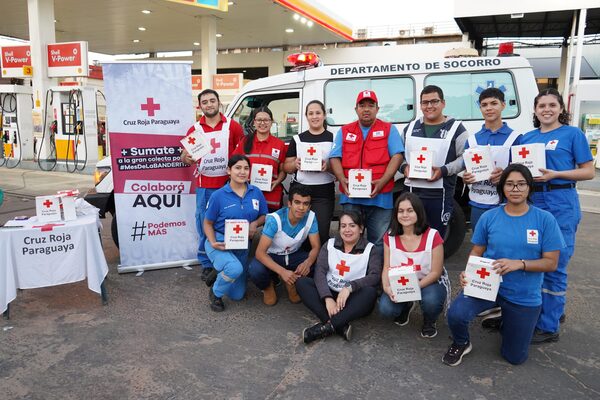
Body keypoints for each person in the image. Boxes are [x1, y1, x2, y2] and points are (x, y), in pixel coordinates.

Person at [442, 164, 564, 366]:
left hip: (523, 293)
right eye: (509, 184)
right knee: (456, 314)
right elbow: (476, 252)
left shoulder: (545, 220)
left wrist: (520, 264)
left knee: (514, 357)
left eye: (521, 184)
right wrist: (468, 272)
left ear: (529, 187)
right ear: (502, 188)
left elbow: (551, 263)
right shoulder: (489, 217)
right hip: (487, 285)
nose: (515, 189)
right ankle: (461, 342)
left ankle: (505, 318)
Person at [521, 88, 595, 344]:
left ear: (561, 108)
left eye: (552, 105)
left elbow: (588, 172)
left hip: (561, 202)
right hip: (533, 202)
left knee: (556, 263)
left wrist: (556, 174)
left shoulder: (573, 134)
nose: (547, 110)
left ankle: (549, 325)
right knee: (533, 260)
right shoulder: (527, 137)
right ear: (535, 110)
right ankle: (547, 311)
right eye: (542, 106)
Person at [181, 89, 245, 282]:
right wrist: (186, 157)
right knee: (204, 224)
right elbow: (183, 156)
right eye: (205, 102)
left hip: (228, 185)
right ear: (200, 106)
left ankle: (229, 258)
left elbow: (239, 154)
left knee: (228, 223)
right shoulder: (195, 130)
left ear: (219, 103)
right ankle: (207, 263)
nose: (209, 105)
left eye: (212, 101)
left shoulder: (232, 127)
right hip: (205, 186)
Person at [329, 90, 404, 248]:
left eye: (371, 105)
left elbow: (397, 156)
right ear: (356, 109)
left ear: (378, 109)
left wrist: (383, 181)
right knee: (350, 241)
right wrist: (342, 178)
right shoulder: (344, 131)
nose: (366, 109)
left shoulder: (389, 130)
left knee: (378, 242)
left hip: (380, 197)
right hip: (351, 198)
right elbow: (334, 157)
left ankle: (375, 273)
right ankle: (354, 271)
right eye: (362, 105)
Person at [296, 211, 382, 343]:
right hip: (330, 291)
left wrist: (349, 287)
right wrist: (327, 297)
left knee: (370, 292)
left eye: (352, 226)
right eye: (343, 226)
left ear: (361, 229)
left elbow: (375, 276)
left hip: (353, 297)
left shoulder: (371, 249)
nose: (347, 230)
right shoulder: (329, 244)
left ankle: (327, 326)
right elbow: (320, 271)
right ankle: (338, 325)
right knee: (302, 282)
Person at [400, 85, 469, 238]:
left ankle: (436, 263)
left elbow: (466, 158)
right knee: (410, 237)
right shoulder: (410, 128)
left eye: (434, 101)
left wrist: (443, 170)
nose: (429, 106)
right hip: (412, 194)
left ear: (443, 103)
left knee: (435, 239)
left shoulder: (456, 129)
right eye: (425, 102)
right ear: (420, 105)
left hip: (440, 195)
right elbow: (398, 155)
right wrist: (404, 167)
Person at [378, 193, 449, 338]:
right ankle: (406, 304)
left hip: (428, 281)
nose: (405, 215)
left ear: (418, 212)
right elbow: (386, 267)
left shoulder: (433, 236)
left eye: (410, 210)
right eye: (401, 211)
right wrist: (386, 288)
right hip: (401, 283)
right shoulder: (390, 236)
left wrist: (415, 287)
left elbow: (436, 272)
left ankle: (429, 320)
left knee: (431, 301)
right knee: (386, 309)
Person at [203, 155, 268, 312]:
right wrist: (212, 242)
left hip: (241, 243)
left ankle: (218, 271)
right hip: (219, 240)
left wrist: (255, 223)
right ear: (229, 170)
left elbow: (264, 215)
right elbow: (207, 223)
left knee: (237, 295)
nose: (242, 172)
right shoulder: (218, 195)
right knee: (234, 269)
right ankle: (215, 293)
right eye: (238, 168)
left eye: (246, 168)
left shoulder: (256, 192)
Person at [248, 185, 321, 305]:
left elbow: (316, 246)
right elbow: (260, 253)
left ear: (309, 206)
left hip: (293, 254)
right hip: (272, 255)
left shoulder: (311, 217)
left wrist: (307, 263)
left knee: (319, 263)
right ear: (289, 203)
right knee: (255, 270)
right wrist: (282, 272)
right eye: (297, 202)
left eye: (305, 204)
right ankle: (268, 286)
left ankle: (292, 281)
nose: (301, 207)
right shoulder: (274, 219)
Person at [463, 87, 522, 229]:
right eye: (484, 105)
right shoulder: (471, 141)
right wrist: (466, 178)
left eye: (493, 103)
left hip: (506, 204)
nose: (489, 108)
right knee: (480, 246)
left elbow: (524, 174)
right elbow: (468, 171)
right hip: (478, 204)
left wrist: (506, 176)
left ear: (503, 105)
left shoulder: (517, 139)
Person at [284, 100, 335, 245]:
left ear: (324, 115)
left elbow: (341, 167)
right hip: (300, 191)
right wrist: (294, 164)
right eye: (310, 113)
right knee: (298, 232)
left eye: (318, 113)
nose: (314, 116)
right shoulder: (298, 139)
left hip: (324, 193)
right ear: (306, 116)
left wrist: (328, 167)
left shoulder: (333, 139)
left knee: (321, 232)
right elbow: (286, 167)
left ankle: (317, 265)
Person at [233, 106, 287, 212]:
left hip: (272, 197)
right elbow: (234, 165)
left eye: (266, 120)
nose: (262, 123)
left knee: (270, 227)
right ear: (254, 122)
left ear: (271, 122)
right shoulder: (244, 142)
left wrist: (277, 181)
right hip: (247, 196)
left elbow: (283, 170)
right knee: (250, 227)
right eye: (259, 120)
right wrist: (242, 178)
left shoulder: (280, 144)